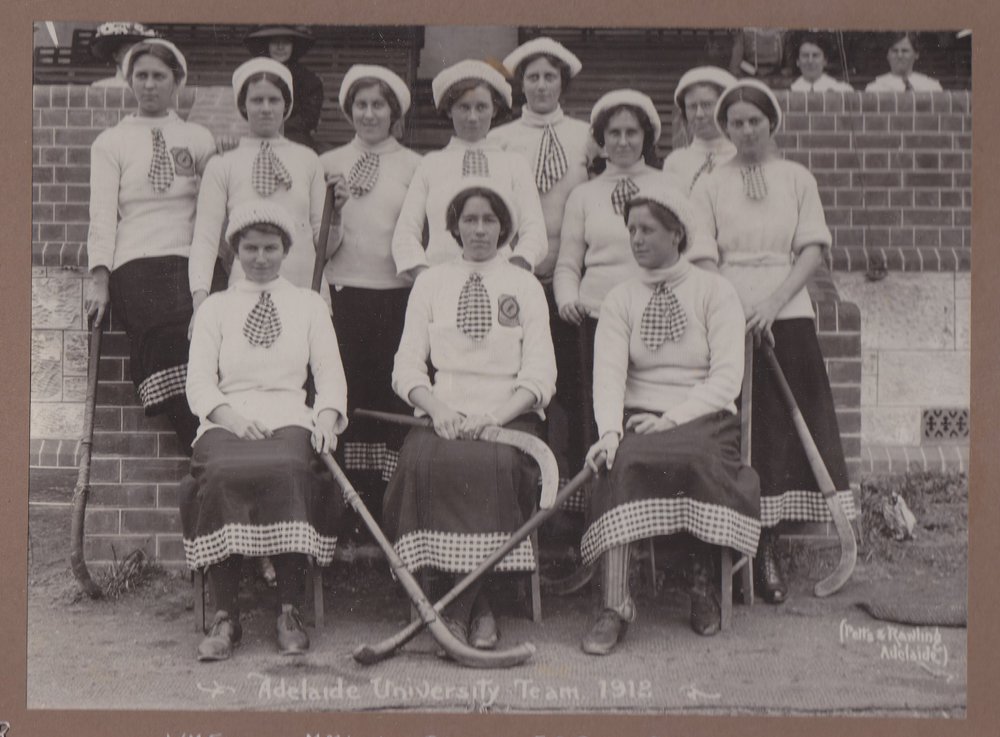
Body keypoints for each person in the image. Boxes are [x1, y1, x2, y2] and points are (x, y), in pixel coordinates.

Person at [688, 78, 857, 604]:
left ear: (772, 123)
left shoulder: (796, 178)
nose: (744, 131)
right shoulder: (710, 183)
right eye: (735, 123)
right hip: (729, 315)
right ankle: (731, 547)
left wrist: (772, 304)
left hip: (787, 314)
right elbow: (703, 253)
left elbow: (810, 250)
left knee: (781, 430)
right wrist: (732, 307)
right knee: (737, 429)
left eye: (754, 121)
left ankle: (769, 551)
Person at [579, 182, 759, 655]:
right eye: (631, 229)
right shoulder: (621, 298)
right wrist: (610, 433)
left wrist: (673, 417)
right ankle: (615, 605)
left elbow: (727, 379)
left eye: (648, 230)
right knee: (618, 465)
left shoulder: (714, 291)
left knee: (699, 459)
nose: (637, 239)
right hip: (640, 419)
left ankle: (703, 587)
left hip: (704, 415)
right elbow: (609, 375)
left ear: (677, 235)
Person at [384, 179, 556, 653]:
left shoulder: (524, 285)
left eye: (489, 220)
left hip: (508, 414)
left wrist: (496, 416)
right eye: (469, 219)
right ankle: (465, 606)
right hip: (444, 413)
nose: (479, 229)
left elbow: (541, 372)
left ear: (505, 227)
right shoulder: (431, 282)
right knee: (420, 464)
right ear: (454, 227)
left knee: (493, 466)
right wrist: (438, 410)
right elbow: (406, 367)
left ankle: (465, 609)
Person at [180, 201, 348, 662]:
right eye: (250, 248)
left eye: (270, 247)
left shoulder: (308, 305)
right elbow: (198, 382)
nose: (259, 257)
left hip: (289, 414)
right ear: (235, 251)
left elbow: (330, 375)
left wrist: (328, 417)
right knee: (218, 473)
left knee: (291, 467)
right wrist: (230, 418)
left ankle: (288, 609)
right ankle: (226, 615)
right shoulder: (215, 308)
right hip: (225, 420)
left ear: (285, 249)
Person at [84, 38, 222, 455]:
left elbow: (216, 208)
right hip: (137, 263)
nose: (149, 85)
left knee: (212, 338)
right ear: (129, 82)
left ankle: (219, 445)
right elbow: (103, 213)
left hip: (191, 259)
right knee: (166, 339)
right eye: (140, 76)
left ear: (177, 81)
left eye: (158, 76)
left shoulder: (197, 137)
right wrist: (99, 278)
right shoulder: (111, 142)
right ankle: (201, 449)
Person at [490, 37, 599, 476]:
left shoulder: (585, 135)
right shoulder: (500, 140)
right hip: (516, 276)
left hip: (572, 278)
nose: (540, 86)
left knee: (574, 384)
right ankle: (527, 477)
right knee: (522, 381)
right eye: (531, 77)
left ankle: (576, 482)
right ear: (520, 86)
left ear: (562, 83)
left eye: (549, 77)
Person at [318, 65, 421, 491]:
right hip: (343, 294)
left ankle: (387, 502)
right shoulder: (328, 163)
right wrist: (334, 211)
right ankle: (345, 505)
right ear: (348, 110)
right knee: (346, 394)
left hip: (396, 296)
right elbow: (321, 246)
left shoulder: (416, 166)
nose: (369, 113)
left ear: (394, 111)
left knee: (390, 396)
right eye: (360, 104)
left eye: (378, 104)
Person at [553, 89, 666, 463]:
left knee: (646, 404)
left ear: (646, 137)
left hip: (652, 311)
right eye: (613, 133)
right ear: (601, 140)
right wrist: (568, 298)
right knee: (595, 408)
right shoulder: (584, 195)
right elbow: (569, 262)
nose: (622, 141)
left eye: (631, 132)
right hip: (596, 315)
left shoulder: (666, 186)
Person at [188, 57, 346, 321]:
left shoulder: (308, 160)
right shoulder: (224, 164)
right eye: (256, 100)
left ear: (286, 106)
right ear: (243, 105)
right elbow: (205, 239)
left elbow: (324, 248)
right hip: (246, 291)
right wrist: (199, 300)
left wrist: (337, 215)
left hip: (305, 290)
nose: (265, 108)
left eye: (274, 100)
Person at [391, 60, 547, 281]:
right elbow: (406, 232)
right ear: (449, 110)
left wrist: (513, 271)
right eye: (463, 107)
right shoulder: (431, 163)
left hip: (501, 282)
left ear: (494, 110)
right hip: (441, 282)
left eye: (481, 107)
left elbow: (535, 231)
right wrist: (425, 277)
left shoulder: (514, 163)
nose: (472, 117)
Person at [243, 25, 326, 151]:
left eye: (286, 42)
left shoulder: (309, 79)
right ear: (268, 45)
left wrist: (275, 126)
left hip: (294, 136)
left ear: (293, 46)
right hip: (258, 133)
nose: (280, 47)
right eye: (275, 42)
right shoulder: (255, 76)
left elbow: (310, 118)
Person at [662, 66, 739, 195]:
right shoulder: (675, 162)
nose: (699, 114)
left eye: (707, 105)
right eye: (692, 107)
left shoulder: (742, 156)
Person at [865, 32, 943, 92]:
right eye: (894, 51)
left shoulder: (932, 87)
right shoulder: (875, 88)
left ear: (916, 54)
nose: (899, 55)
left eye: (905, 51)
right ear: (888, 55)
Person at [89, 21, 157, 88]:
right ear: (116, 56)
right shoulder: (101, 87)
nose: (134, 56)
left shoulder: (153, 87)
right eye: (128, 52)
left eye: (139, 51)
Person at [789, 33, 854, 93]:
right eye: (805, 55)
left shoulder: (842, 90)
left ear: (825, 61)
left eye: (815, 55)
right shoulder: (789, 91)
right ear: (797, 61)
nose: (810, 61)